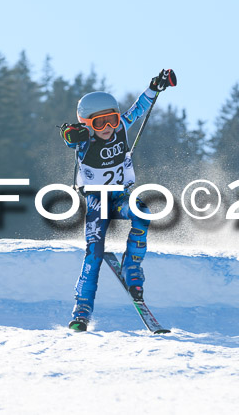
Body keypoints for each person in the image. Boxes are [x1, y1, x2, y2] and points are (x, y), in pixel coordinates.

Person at [60, 69, 177, 331]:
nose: (108, 128)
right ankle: (82, 310)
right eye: (100, 123)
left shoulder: (121, 126)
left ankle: (132, 268)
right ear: (89, 124)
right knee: (94, 253)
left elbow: (139, 107)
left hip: (120, 196)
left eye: (111, 120)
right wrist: (72, 134)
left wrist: (155, 87)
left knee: (143, 211)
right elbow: (70, 136)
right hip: (97, 202)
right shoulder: (85, 139)